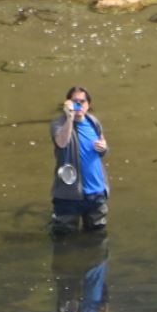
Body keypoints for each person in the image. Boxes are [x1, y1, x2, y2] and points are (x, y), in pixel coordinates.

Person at [49, 85, 109, 234]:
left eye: (82, 101)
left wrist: (104, 148)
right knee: (63, 238)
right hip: (69, 195)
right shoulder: (58, 124)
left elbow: (102, 148)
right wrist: (69, 117)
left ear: (88, 104)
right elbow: (62, 143)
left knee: (97, 236)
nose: (79, 105)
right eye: (75, 101)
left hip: (96, 193)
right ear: (67, 103)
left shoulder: (94, 123)